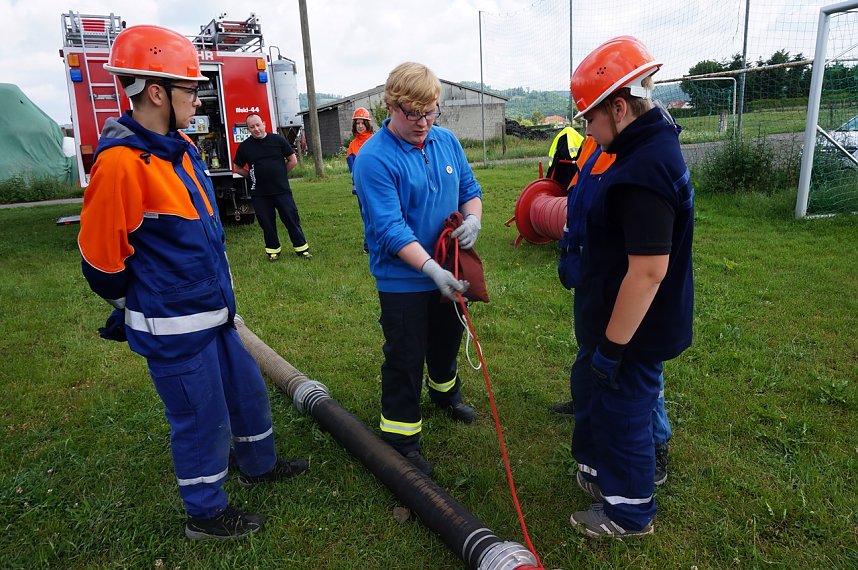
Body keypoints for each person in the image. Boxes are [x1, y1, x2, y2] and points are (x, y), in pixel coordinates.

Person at [77, 25, 308, 541]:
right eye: (190, 89)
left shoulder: (182, 147)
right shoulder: (120, 166)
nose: (198, 98)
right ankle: (205, 513)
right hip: (174, 328)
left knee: (247, 392)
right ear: (157, 93)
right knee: (201, 418)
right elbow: (100, 264)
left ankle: (259, 465)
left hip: (215, 313)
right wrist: (140, 305)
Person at [562, 36, 694, 538]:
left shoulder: (643, 171)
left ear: (619, 108)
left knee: (626, 412)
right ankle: (606, 479)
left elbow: (647, 272)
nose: (588, 131)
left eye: (590, 119)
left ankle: (630, 514)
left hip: (635, 330)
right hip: (618, 319)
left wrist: (613, 348)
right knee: (608, 405)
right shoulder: (644, 146)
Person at [352, 62, 483, 478]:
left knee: (447, 338)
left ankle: (446, 394)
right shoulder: (373, 158)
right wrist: (429, 269)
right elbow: (390, 229)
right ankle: (401, 438)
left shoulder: (446, 141)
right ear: (390, 107)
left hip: (448, 266)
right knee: (405, 356)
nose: (424, 122)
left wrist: (473, 219)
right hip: (403, 280)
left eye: (430, 112)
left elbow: (470, 190)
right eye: (413, 114)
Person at [553, 136, 672, 488]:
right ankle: (589, 414)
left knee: (638, 368)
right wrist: (569, 251)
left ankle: (655, 443)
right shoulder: (594, 141)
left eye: (590, 116)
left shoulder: (645, 146)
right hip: (591, 276)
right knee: (589, 356)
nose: (586, 123)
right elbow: (578, 196)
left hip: (622, 282)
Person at [234, 113, 312, 261]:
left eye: (258, 125)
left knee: (291, 220)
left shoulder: (278, 140)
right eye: (252, 127)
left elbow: (292, 160)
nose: (256, 129)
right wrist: (252, 176)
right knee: (267, 224)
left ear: (263, 124)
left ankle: (302, 249)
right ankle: (273, 252)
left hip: (281, 191)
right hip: (260, 194)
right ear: (248, 129)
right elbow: (237, 168)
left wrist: (281, 174)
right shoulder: (245, 147)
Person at [346, 107, 374, 253]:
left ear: (368, 124)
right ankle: (368, 244)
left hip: (375, 184)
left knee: (376, 212)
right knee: (365, 214)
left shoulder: (375, 140)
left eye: (363, 123)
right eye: (357, 123)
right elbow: (352, 168)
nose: (360, 126)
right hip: (360, 186)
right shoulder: (352, 145)